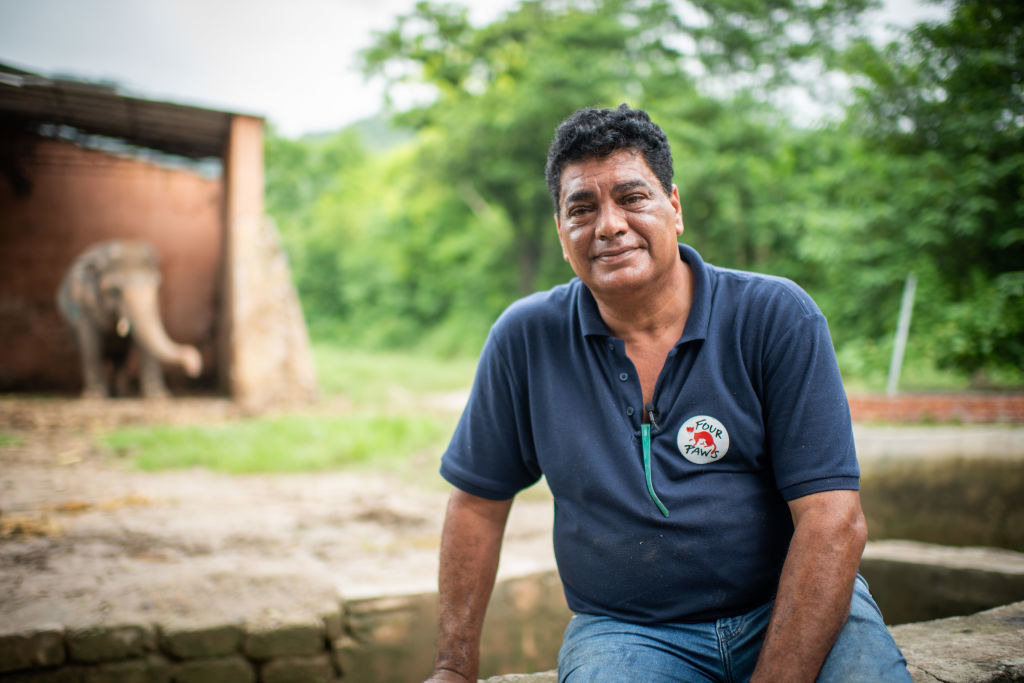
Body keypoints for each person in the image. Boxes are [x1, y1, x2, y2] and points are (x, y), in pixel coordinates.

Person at [427, 104, 910, 682]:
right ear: (561, 234)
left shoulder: (775, 316)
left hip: (790, 604)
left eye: (632, 198)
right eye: (582, 209)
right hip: (627, 631)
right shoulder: (526, 338)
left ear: (674, 208)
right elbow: (477, 505)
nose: (608, 225)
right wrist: (453, 669)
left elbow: (834, 520)